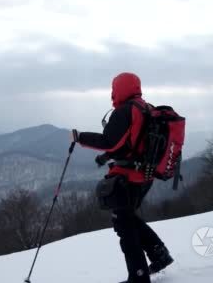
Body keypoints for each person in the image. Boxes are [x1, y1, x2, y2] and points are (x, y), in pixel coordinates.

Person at [71, 72, 174, 283]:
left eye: (113, 88)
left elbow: (110, 141)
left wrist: (80, 138)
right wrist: (106, 157)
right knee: (128, 218)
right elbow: (131, 142)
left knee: (124, 226)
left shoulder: (124, 111)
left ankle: (139, 277)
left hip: (129, 177)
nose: (112, 93)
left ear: (120, 88)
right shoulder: (145, 107)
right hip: (145, 175)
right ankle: (159, 254)